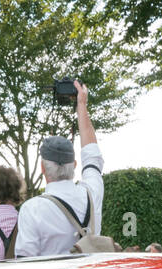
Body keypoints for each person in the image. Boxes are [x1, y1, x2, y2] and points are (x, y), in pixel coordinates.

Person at [15, 80, 104, 257]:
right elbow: (92, 155)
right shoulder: (92, 192)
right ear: (75, 165)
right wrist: (82, 106)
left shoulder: (32, 209)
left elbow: (25, 264)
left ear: (43, 168)